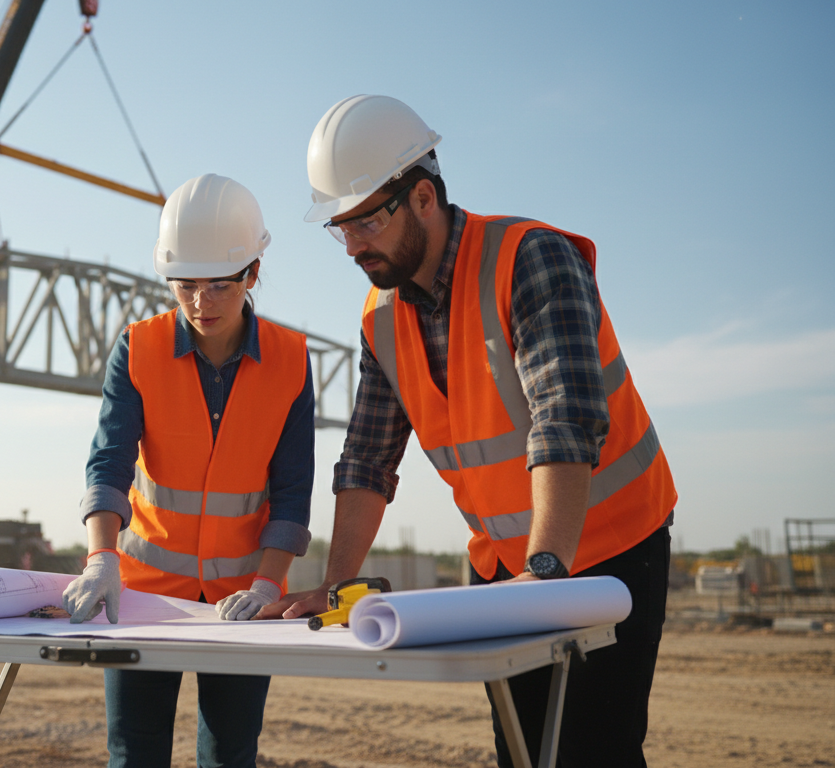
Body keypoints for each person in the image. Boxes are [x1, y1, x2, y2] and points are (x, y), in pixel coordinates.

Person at [258, 95, 677, 767]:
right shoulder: (380, 317)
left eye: (366, 221)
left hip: (610, 551)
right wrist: (337, 586)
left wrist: (545, 573)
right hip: (505, 565)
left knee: (591, 752)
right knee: (520, 751)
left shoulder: (529, 258)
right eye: (340, 228)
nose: (353, 245)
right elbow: (366, 460)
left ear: (423, 197)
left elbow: (565, 419)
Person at [62, 173, 315, 768]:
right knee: (135, 752)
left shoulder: (290, 360)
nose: (202, 303)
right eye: (186, 285)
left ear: (253, 272)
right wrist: (101, 559)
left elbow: (292, 489)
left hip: (246, 597)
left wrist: (268, 585)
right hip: (143, 594)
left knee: (230, 755)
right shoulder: (138, 348)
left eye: (220, 284)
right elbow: (109, 461)